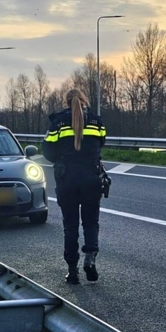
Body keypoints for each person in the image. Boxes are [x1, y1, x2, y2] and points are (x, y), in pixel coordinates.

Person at [43, 89, 106, 285]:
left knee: (70, 226)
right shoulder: (96, 121)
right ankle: (90, 259)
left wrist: (61, 160)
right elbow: (101, 144)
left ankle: (73, 271)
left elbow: (47, 150)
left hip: (67, 178)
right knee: (91, 222)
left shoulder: (58, 122)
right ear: (84, 100)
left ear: (67, 101)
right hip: (91, 177)